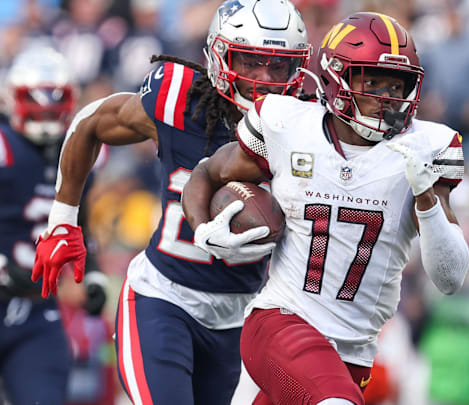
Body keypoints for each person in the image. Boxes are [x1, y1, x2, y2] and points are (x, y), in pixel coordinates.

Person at [182, 12, 469, 404]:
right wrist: (202, 230)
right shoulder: (288, 125)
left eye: (396, 84)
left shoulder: (425, 149)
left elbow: (450, 278)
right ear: (337, 76)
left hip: (353, 355)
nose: (387, 96)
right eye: (372, 80)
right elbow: (207, 172)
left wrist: (426, 199)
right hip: (281, 321)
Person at [30, 0, 311, 403]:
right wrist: (63, 219)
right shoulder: (181, 100)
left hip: (242, 318)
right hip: (163, 300)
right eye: (249, 61)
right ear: (219, 56)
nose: (263, 78)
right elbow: (92, 120)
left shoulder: (306, 131)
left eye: (279, 65)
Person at [0, 46, 106, 405]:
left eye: (54, 104)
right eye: (37, 103)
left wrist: (92, 276)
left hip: (34, 312)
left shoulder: (75, 149)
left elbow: (79, 226)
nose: (46, 114)